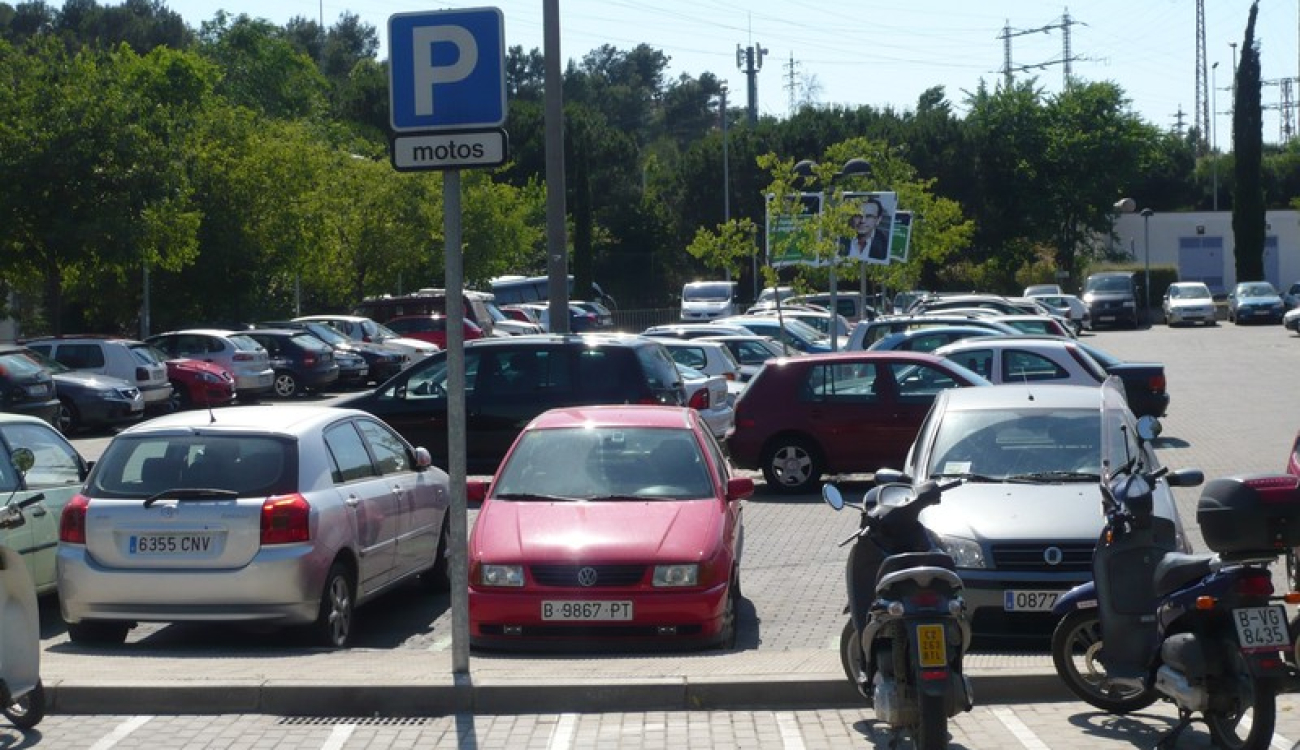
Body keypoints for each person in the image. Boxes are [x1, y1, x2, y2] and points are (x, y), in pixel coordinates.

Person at [843, 196, 891, 263]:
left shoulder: (886, 246)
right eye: (858, 215)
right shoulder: (840, 239)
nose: (863, 221)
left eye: (869, 216)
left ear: (878, 220)